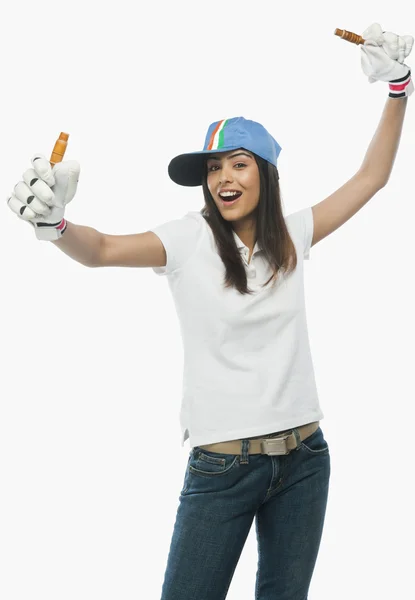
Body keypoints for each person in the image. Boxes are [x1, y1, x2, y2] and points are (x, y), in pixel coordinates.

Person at [6, 22, 413, 600]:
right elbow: (99, 251)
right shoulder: (187, 241)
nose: (223, 177)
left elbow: (373, 177)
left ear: (266, 175)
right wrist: (55, 225)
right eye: (214, 168)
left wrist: (399, 88)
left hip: (305, 460)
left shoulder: (293, 235)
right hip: (223, 468)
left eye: (238, 163)